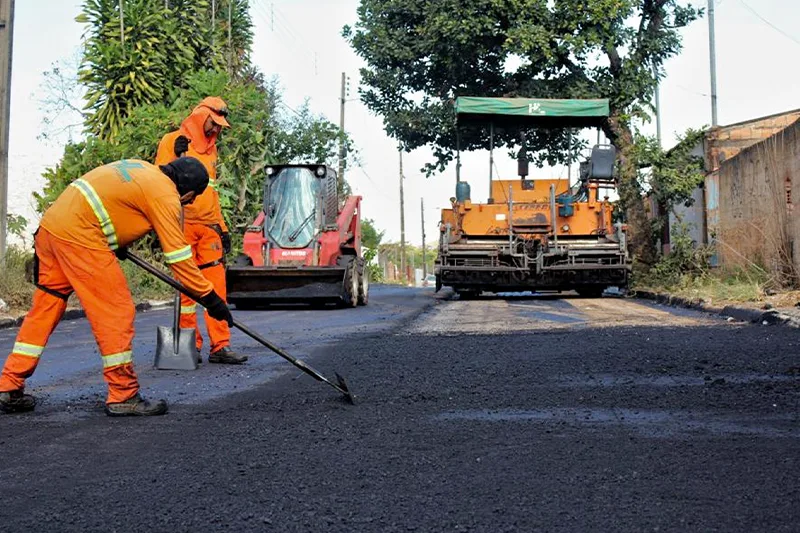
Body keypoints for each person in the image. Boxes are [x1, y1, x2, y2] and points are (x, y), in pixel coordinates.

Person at [0, 157, 233, 417]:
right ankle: (123, 394)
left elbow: (111, 205)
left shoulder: (141, 168)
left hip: (52, 228)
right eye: (190, 200)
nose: (188, 204)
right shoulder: (165, 195)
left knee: (47, 307)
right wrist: (209, 298)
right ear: (188, 193)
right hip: (81, 237)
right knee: (116, 311)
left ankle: (9, 384)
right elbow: (178, 258)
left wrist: (117, 241)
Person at [155, 97, 246, 365]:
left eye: (220, 126)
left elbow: (213, 192)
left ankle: (221, 346)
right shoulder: (173, 141)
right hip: (181, 226)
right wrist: (174, 156)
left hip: (209, 229)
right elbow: (158, 183)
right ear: (199, 116)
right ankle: (188, 345)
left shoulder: (212, 150)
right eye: (213, 123)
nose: (216, 129)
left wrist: (223, 227)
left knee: (216, 288)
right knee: (187, 290)